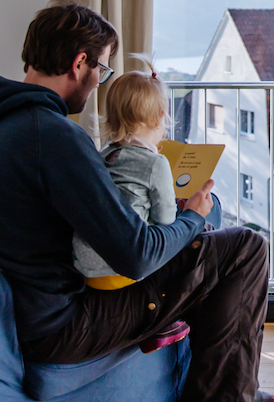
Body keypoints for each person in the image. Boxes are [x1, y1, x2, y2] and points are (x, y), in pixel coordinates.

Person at [0, 1, 274, 402]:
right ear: (79, 64)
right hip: (62, 325)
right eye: (102, 70)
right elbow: (138, 255)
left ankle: (235, 389)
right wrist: (192, 218)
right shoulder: (53, 138)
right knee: (245, 249)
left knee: (205, 248)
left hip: (15, 315)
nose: (98, 84)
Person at [70, 54, 191, 353]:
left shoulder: (101, 155)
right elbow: (165, 225)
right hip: (125, 274)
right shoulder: (156, 163)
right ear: (159, 116)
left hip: (88, 274)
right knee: (190, 236)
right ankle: (163, 318)